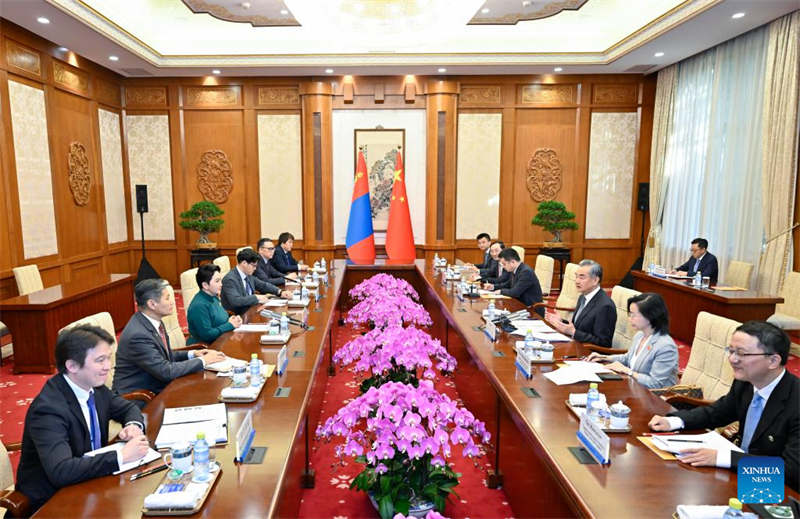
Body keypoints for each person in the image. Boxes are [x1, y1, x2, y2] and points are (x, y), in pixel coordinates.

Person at [648, 321, 799, 492]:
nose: (732, 359)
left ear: (773, 361)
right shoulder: (746, 382)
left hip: (777, 489)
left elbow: (791, 470)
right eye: (731, 351)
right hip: (741, 476)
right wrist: (675, 421)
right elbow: (718, 412)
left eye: (741, 353)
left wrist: (723, 458)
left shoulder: (795, 400)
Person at [17, 325, 150, 512]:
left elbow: (127, 408)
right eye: (100, 360)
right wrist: (121, 456)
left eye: (108, 358)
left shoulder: (93, 387)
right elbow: (61, 471)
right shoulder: (48, 410)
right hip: (54, 502)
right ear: (72, 366)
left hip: (92, 484)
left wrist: (133, 425)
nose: (108, 367)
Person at [113, 279, 225, 402]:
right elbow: (166, 371)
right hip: (138, 399)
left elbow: (163, 355)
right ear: (152, 304)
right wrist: (203, 361)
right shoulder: (138, 335)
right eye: (167, 298)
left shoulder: (153, 321)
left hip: (158, 387)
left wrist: (193, 354)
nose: (172, 302)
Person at [585, 292, 678, 389]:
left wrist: (628, 371)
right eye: (630, 314)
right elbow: (628, 358)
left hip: (655, 396)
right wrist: (604, 357)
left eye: (634, 315)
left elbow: (655, 383)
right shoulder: (640, 335)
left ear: (651, 316)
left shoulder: (666, 346)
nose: (630, 319)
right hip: (634, 388)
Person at [545, 259, 616, 347]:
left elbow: (603, 343)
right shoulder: (583, 297)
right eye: (576, 276)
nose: (577, 281)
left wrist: (574, 332)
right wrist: (562, 322)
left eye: (582, 277)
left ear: (595, 280)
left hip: (589, 352)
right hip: (576, 345)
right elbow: (579, 327)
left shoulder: (605, 306)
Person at [221, 248, 293, 315]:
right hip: (239, 315)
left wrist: (280, 292)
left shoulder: (247, 274)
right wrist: (256, 297)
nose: (255, 269)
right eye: (254, 266)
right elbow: (236, 301)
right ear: (244, 263)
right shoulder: (230, 279)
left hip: (252, 310)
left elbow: (263, 285)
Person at [187, 264, 242, 345]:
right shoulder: (199, 306)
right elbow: (207, 335)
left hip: (221, 340)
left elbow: (218, 318)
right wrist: (229, 325)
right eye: (217, 281)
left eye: (220, 280)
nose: (221, 284)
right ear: (205, 285)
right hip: (205, 347)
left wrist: (232, 319)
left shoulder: (213, 297)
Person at [483, 248, 544, 316]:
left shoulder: (526, 272)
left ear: (512, 262)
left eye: (504, 264)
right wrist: (493, 287)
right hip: (520, 306)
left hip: (532, 310)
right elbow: (508, 284)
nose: (503, 267)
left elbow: (515, 292)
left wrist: (500, 291)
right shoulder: (516, 269)